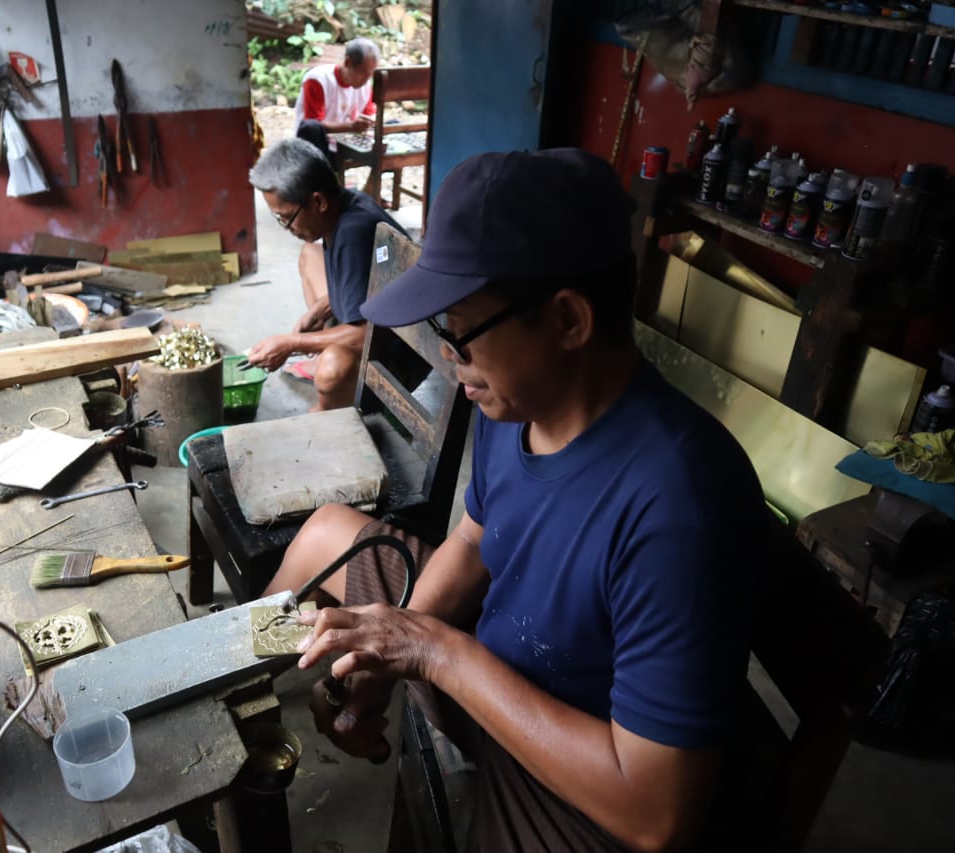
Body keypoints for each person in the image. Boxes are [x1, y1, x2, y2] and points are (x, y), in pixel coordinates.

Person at [264, 148, 771, 851]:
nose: (448, 355)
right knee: (328, 536)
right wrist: (390, 653)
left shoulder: (681, 501)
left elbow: (656, 814)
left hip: (584, 787)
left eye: (459, 332)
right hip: (500, 676)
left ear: (568, 320)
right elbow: (474, 539)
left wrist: (437, 654)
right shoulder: (520, 406)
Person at [246, 137, 403, 411]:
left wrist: (291, 344)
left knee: (332, 369)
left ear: (318, 201)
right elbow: (365, 283)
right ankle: (326, 353)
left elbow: (366, 335)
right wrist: (318, 312)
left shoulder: (353, 234)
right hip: (377, 321)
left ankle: (331, 408)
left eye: (286, 218)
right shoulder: (347, 203)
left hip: (397, 357)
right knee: (310, 255)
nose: (287, 228)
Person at [294, 37, 381, 165]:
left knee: (390, 130)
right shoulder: (318, 79)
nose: (367, 79)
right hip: (319, 147)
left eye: (370, 74)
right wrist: (351, 126)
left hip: (347, 145)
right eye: (363, 73)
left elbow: (369, 114)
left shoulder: (365, 86)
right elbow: (314, 125)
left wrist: (370, 122)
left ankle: (369, 185)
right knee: (311, 128)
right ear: (347, 62)